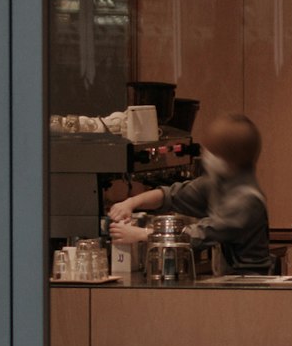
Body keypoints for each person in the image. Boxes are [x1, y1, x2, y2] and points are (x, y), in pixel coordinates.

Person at [112, 111, 274, 273]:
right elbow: (172, 195)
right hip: (229, 280)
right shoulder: (217, 182)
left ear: (231, 157)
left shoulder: (246, 200)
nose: (206, 156)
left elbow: (198, 235)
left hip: (250, 281)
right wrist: (131, 203)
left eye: (213, 152)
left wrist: (141, 234)